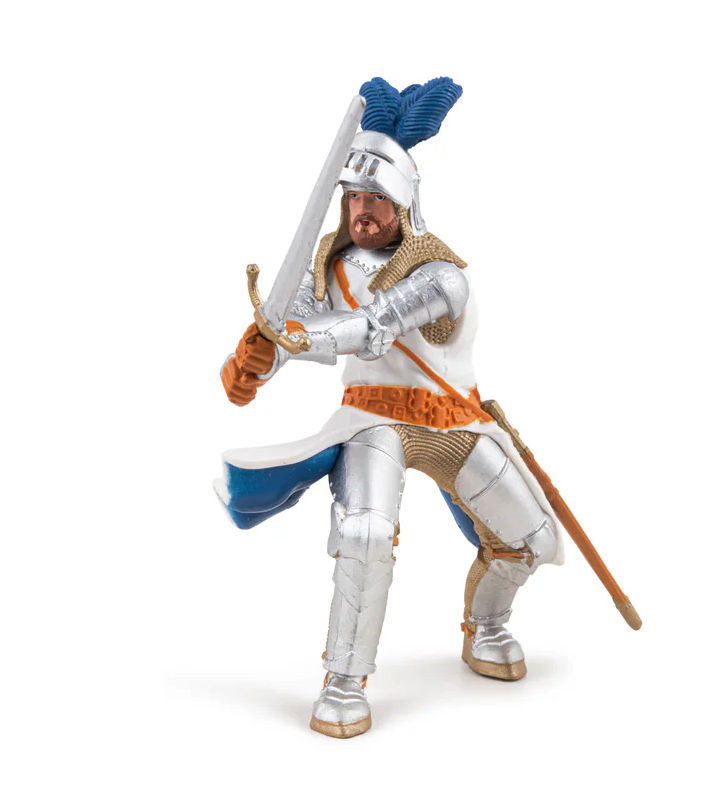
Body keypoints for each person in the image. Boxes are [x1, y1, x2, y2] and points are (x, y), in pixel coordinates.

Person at [218, 77, 563, 739]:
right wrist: (254, 362)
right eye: (354, 197)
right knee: (366, 533)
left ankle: (486, 626)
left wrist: (293, 336)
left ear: (404, 203)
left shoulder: (440, 274)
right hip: (372, 418)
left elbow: (371, 326)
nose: (363, 210)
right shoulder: (330, 269)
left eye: (376, 198)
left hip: (452, 421)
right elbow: (297, 331)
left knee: (530, 540)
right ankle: (343, 683)